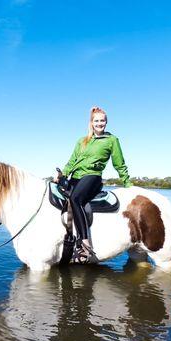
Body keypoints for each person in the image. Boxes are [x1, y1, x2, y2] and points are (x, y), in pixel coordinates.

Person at [56, 106, 132, 263]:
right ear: (91, 123)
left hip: (93, 177)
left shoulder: (111, 140)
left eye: (102, 120)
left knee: (76, 199)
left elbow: (119, 163)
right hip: (75, 177)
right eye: (96, 121)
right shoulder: (82, 141)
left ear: (106, 122)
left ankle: (85, 244)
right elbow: (72, 161)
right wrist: (62, 175)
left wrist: (127, 183)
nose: (100, 123)